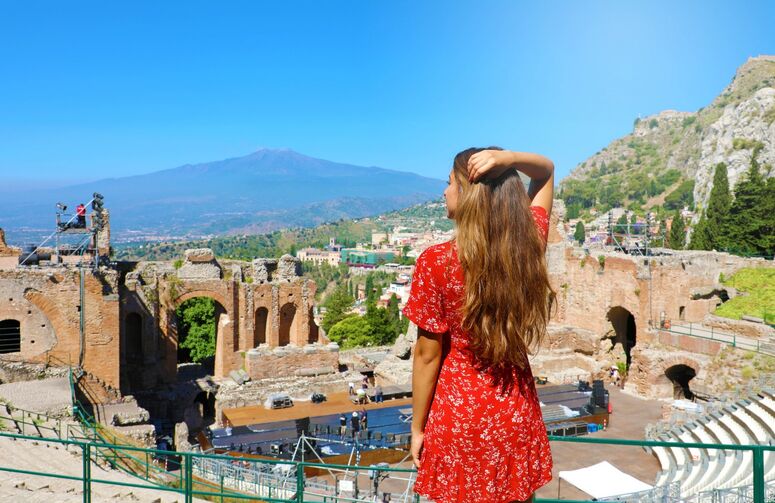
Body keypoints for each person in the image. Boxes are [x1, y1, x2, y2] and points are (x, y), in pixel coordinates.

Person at [405, 148, 555, 502]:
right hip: (514, 410)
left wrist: (417, 427)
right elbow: (546, 172)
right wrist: (510, 159)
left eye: (450, 183)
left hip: (459, 418)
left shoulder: (436, 262)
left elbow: (427, 356)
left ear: (469, 193)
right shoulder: (527, 247)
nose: (444, 191)